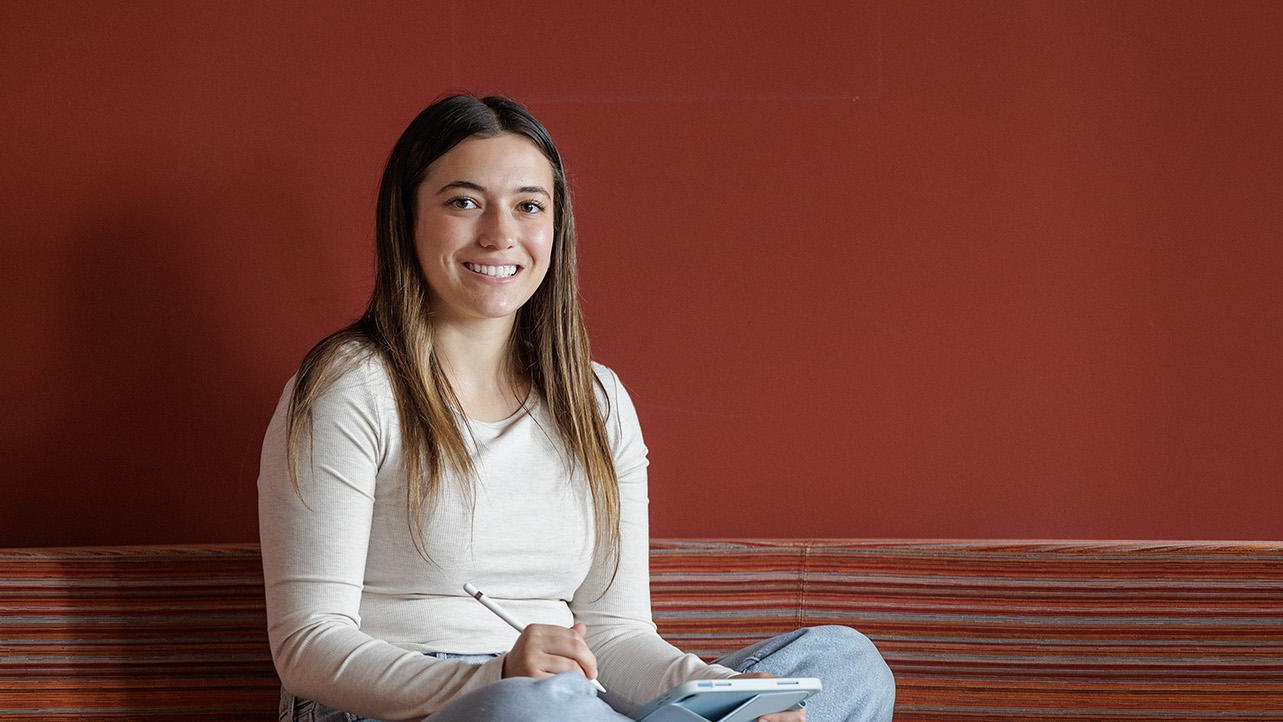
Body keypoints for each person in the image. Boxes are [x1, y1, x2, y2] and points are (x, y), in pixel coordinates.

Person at [256, 94, 896, 722]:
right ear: (406, 218)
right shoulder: (348, 387)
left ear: (554, 227)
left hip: (571, 699)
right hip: (413, 703)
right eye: (463, 202)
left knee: (847, 663)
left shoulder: (596, 400)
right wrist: (496, 676)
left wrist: (735, 697)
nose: (500, 233)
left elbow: (615, 636)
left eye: (528, 206)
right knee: (539, 706)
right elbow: (307, 645)